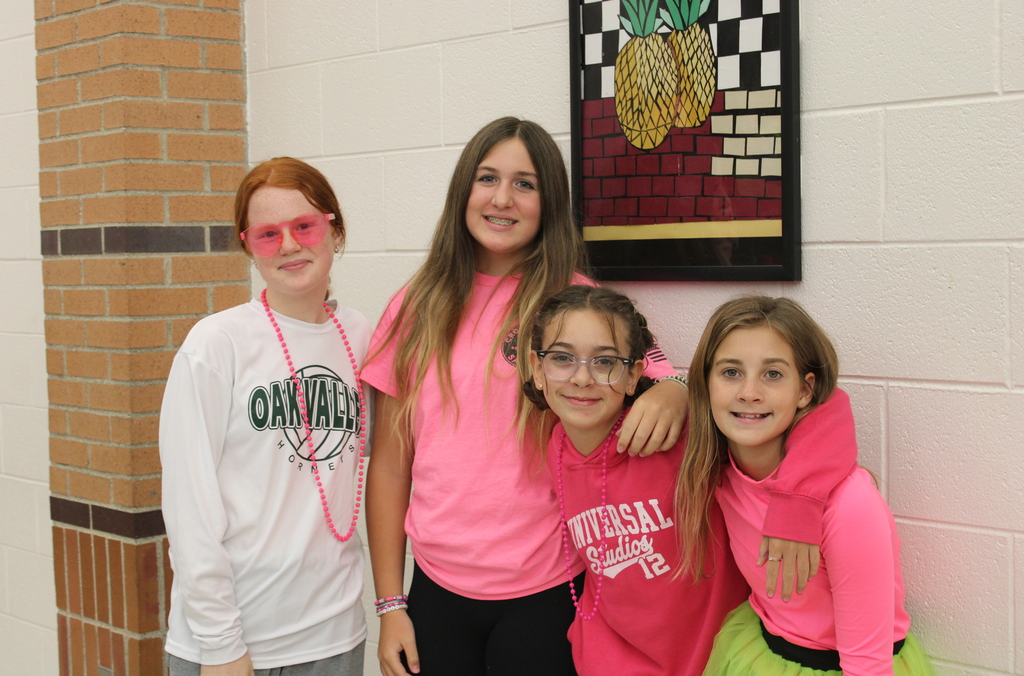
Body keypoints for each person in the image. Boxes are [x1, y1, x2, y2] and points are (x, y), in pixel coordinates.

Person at [361, 117, 855, 676]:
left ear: (550, 202)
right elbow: (390, 465)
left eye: (525, 184)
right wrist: (390, 603)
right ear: (462, 192)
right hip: (437, 589)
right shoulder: (415, 306)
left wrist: (670, 391)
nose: (503, 198)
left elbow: (680, 380)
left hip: (548, 588)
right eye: (487, 178)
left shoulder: (580, 303)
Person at [522, 286, 866, 676]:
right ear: (537, 367)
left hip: (713, 661)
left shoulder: (679, 435)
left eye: (605, 362)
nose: (582, 379)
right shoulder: (556, 446)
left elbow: (829, 407)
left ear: (635, 373)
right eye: (562, 359)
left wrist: (796, 503)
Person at [159, 157, 369, 676]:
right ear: (247, 245)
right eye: (268, 234)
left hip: (336, 635)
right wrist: (222, 644)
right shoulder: (217, 343)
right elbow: (189, 504)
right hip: (234, 644)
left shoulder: (362, 336)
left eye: (304, 226)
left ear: (334, 229)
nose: (290, 245)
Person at [678, 296, 934, 676]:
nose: (749, 392)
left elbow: (867, 664)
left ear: (805, 390)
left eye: (773, 374)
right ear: (706, 383)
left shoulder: (850, 505)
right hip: (760, 647)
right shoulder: (720, 471)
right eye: (731, 372)